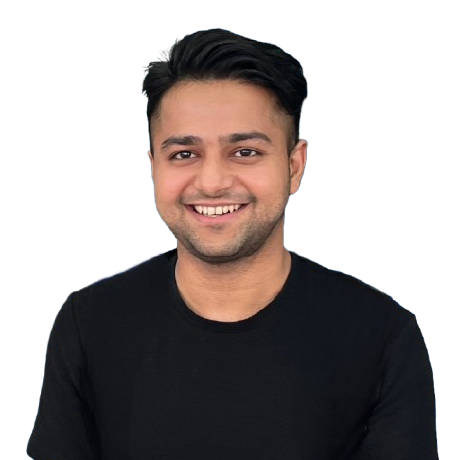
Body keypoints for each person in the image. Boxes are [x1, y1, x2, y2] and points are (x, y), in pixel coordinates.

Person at [27, 29, 439, 460]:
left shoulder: (380, 337)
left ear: (294, 166)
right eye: (183, 154)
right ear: (154, 167)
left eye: (244, 152)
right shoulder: (90, 325)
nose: (212, 183)